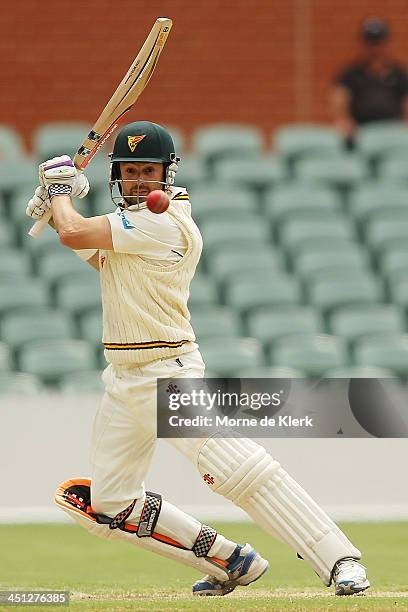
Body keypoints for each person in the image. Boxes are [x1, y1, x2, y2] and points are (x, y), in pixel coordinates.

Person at [26, 120, 370, 596]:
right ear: (117, 174)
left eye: (149, 169)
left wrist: (60, 195)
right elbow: (97, 255)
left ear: (168, 172)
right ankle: (233, 560)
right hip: (123, 381)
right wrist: (55, 205)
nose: (140, 180)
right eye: (130, 170)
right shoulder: (133, 228)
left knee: (241, 471)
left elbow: (73, 233)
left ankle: (342, 560)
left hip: (169, 374)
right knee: (110, 505)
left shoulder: (163, 221)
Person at [331, 17, 408, 149]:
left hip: (393, 133)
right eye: (371, 42)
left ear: (386, 43)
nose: (375, 48)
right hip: (360, 134)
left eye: (379, 42)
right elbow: (339, 103)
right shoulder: (350, 75)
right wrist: (345, 122)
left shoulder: (399, 74)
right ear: (363, 44)